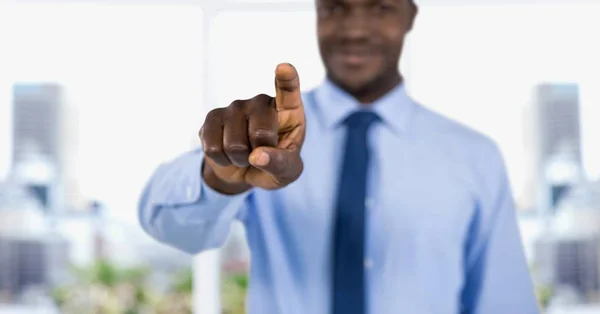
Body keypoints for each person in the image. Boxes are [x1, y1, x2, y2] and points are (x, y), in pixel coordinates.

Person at [138, 0, 539, 313]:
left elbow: (502, 303)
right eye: (335, 8)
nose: (355, 30)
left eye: (380, 8)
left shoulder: (474, 157)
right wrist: (220, 178)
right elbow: (169, 227)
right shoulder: (265, 138)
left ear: (410, 15)